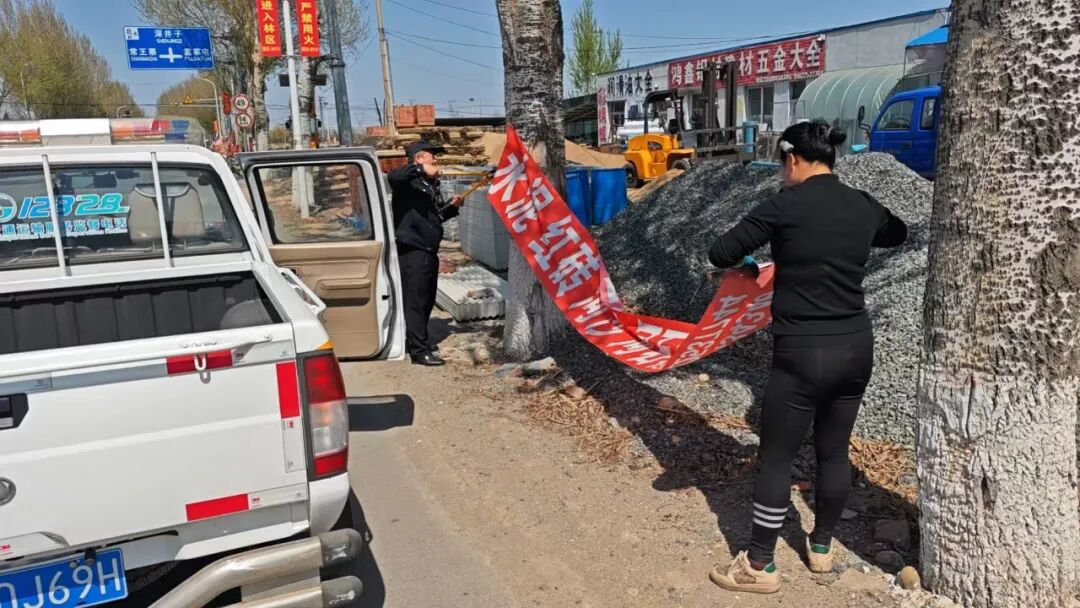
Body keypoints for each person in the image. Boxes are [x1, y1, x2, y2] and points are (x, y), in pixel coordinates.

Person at [706, 120, 908, 594]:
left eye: (783, 165)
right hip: (855, 346)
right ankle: (821, 548)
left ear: (792, 159)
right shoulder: (862, 204)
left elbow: (721, 252)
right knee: (834, 451)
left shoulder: (784, 205)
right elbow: (896, 233)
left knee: (777, 457)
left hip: (802, 350)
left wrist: (756, 263)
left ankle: (759, 565)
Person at [389, 140, 464, 366]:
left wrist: (452, 207)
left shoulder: (430, 185)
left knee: (426, 300)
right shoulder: (406, 182)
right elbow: (394, 176)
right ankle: (419, 352)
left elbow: (435, 216)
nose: (436, 161)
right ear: (419, 158)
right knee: (415, 301)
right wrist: (421, 169)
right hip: (413, 250)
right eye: (432, 157)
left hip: (429, 250)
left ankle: (418, 339)